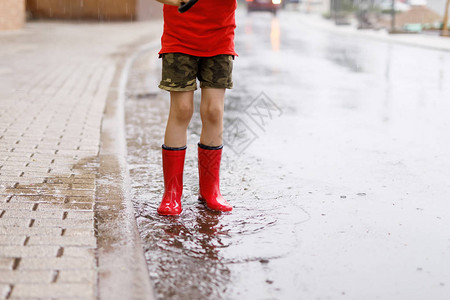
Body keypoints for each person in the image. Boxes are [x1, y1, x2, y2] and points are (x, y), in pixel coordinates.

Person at [155, 0, 237, 215]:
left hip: (220, 36)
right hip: (179, 37)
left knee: (214, 111)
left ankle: (210, 191)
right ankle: (171, 194)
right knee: (181, 110)